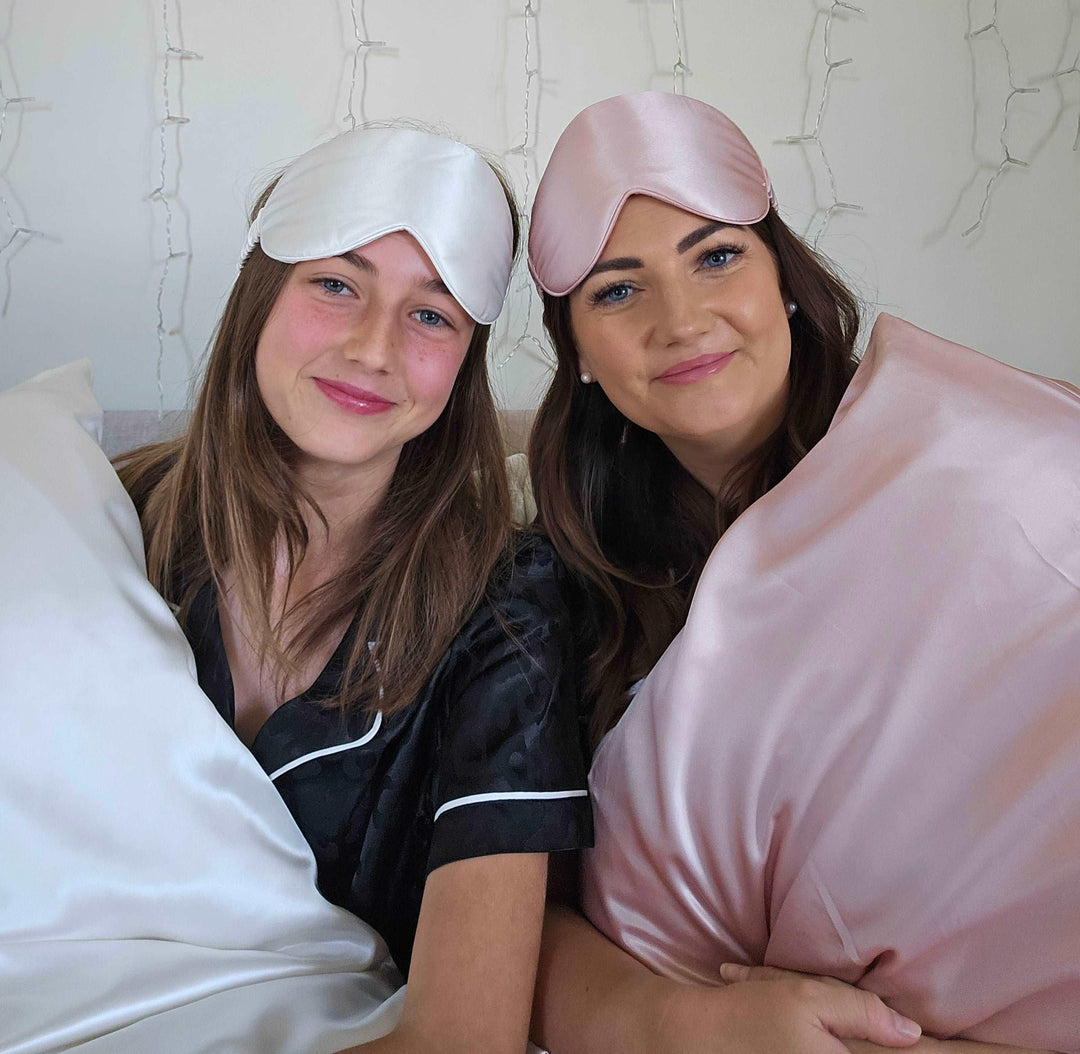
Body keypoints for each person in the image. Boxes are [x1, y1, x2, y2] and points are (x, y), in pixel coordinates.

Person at [525, 91, 1078, 1052]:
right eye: (618, 290)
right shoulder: (560, 583)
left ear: (783, 274)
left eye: (717, 256)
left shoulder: (968, 458)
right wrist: (684, 1023)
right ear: (575, 351)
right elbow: (520, 907)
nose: (682, 320)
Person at [115, 124, 592, 1054]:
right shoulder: (103, 514)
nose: (374, 349)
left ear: (463, 367)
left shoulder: (506, 605)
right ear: (261, 294)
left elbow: (462, 1038)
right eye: (336, 285)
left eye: (432, 314)